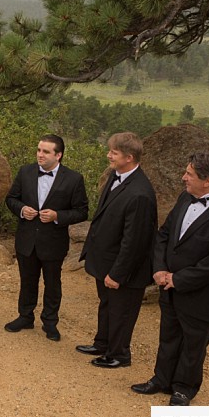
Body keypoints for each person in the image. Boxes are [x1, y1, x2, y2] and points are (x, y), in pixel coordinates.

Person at [130, 151, 209, 406]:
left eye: (189, 174)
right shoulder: (185, 198)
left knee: (194, 345)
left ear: (208, 181)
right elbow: (164, 235)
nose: (183, 177)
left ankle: (184, 388)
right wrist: (159, 269)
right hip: (168, 286)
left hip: (201, 294)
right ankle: (161, 379)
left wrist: (179, 279)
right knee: (168, 337)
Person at [76, 131, 157, 368]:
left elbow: (135, 241)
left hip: (125, 268)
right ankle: (103, 343)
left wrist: (118, 273)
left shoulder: (140, 193)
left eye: (114, 152)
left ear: (129, 157)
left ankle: (119, 354)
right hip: (106, 259)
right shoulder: (116, 176)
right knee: (107, 304)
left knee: (121, 311)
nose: (108, 155)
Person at [4, 134, 88, 341]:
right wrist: (22, 209)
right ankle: (25, 316)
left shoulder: (74, 179)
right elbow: (11, 199)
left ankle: (50, 322)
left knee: (52, 283)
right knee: (27, 281)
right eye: (39, 150)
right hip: (26, 239)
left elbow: (82, 211)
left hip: (53, 242)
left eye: (46, 151)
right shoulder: (25, 172)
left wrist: (58, 216)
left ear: (58, 155)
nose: (40, 155)